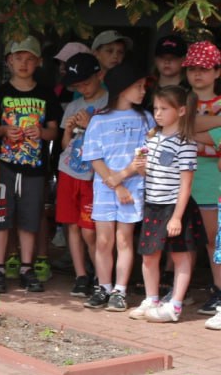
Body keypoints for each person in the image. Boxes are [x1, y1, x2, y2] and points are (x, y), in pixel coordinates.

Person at [0, 36, 61, 293]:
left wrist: (40, 132)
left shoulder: (45, 94)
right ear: (8, 61)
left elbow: (54, 132)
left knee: (30, 217)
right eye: (18, 58)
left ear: (38, 62)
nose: (24, 63)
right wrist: (5, 129)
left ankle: (26, 268)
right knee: (1, 217)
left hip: (34, 168)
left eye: (30, 58)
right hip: (5, 166)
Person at [82, 63, 152, 311]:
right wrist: (114, 183)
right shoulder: (99, 120)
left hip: (132, 188)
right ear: (122, 89)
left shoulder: (145, 118)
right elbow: (93, 155)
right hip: (105, 188)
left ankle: (120, 290)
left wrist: (122, 178)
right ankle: (103, 286)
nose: (143, 91)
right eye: (138, 86)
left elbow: (146, 156)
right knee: (103, 241)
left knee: (124, 240)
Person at [131, 85, 202, 323]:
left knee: (180, 255)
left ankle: (175, 305)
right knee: (149, 255)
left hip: (174, 206)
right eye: (155, 108)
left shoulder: (186, 142)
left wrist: (177, 217)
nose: (158, 113)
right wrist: (141, 169)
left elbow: (186, 184)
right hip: (153, 204)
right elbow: (149, 173)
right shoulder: (152, 138)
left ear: (181, 110)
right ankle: (152, 299)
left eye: (164, 108)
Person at [55, 54, 107, 298]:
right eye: (77, 86)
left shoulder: (110, 103)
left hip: (93, 175)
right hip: (69, 170)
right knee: (72, 225)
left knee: (90, 230)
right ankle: (80, 276)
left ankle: (101, 275)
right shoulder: (74, 106)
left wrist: (91, 124)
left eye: (85, 83)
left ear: (99, 75)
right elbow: (65, 144)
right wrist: (68, 129)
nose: (81, 88)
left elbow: (110, 141)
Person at [183, 41, 221, 315]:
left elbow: (183, 130)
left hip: (211, 183)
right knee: (181, 239)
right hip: (181, 181)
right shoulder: (180, 100)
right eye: (192, 68)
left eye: (205, 69)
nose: (197, 74)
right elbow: (171, 126)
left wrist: (186, 130)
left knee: (213, 240)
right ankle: (178, 290)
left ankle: (218, 290)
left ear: (217, 72)